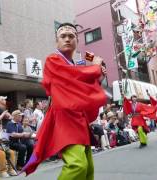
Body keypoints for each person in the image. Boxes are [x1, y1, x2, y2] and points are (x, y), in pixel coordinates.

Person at [21, 22, 107, 180]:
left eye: (71, 36)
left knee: (88, 169)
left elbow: (83, 85)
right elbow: (73, 75)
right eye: (63, 36)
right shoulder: (53, 60)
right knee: (77, 165)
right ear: (57, 41)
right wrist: (95, 68)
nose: (67, 39)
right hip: (65, 118)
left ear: (76, 42)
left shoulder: (74, 65)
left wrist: (98, 77)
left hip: (79, 119)